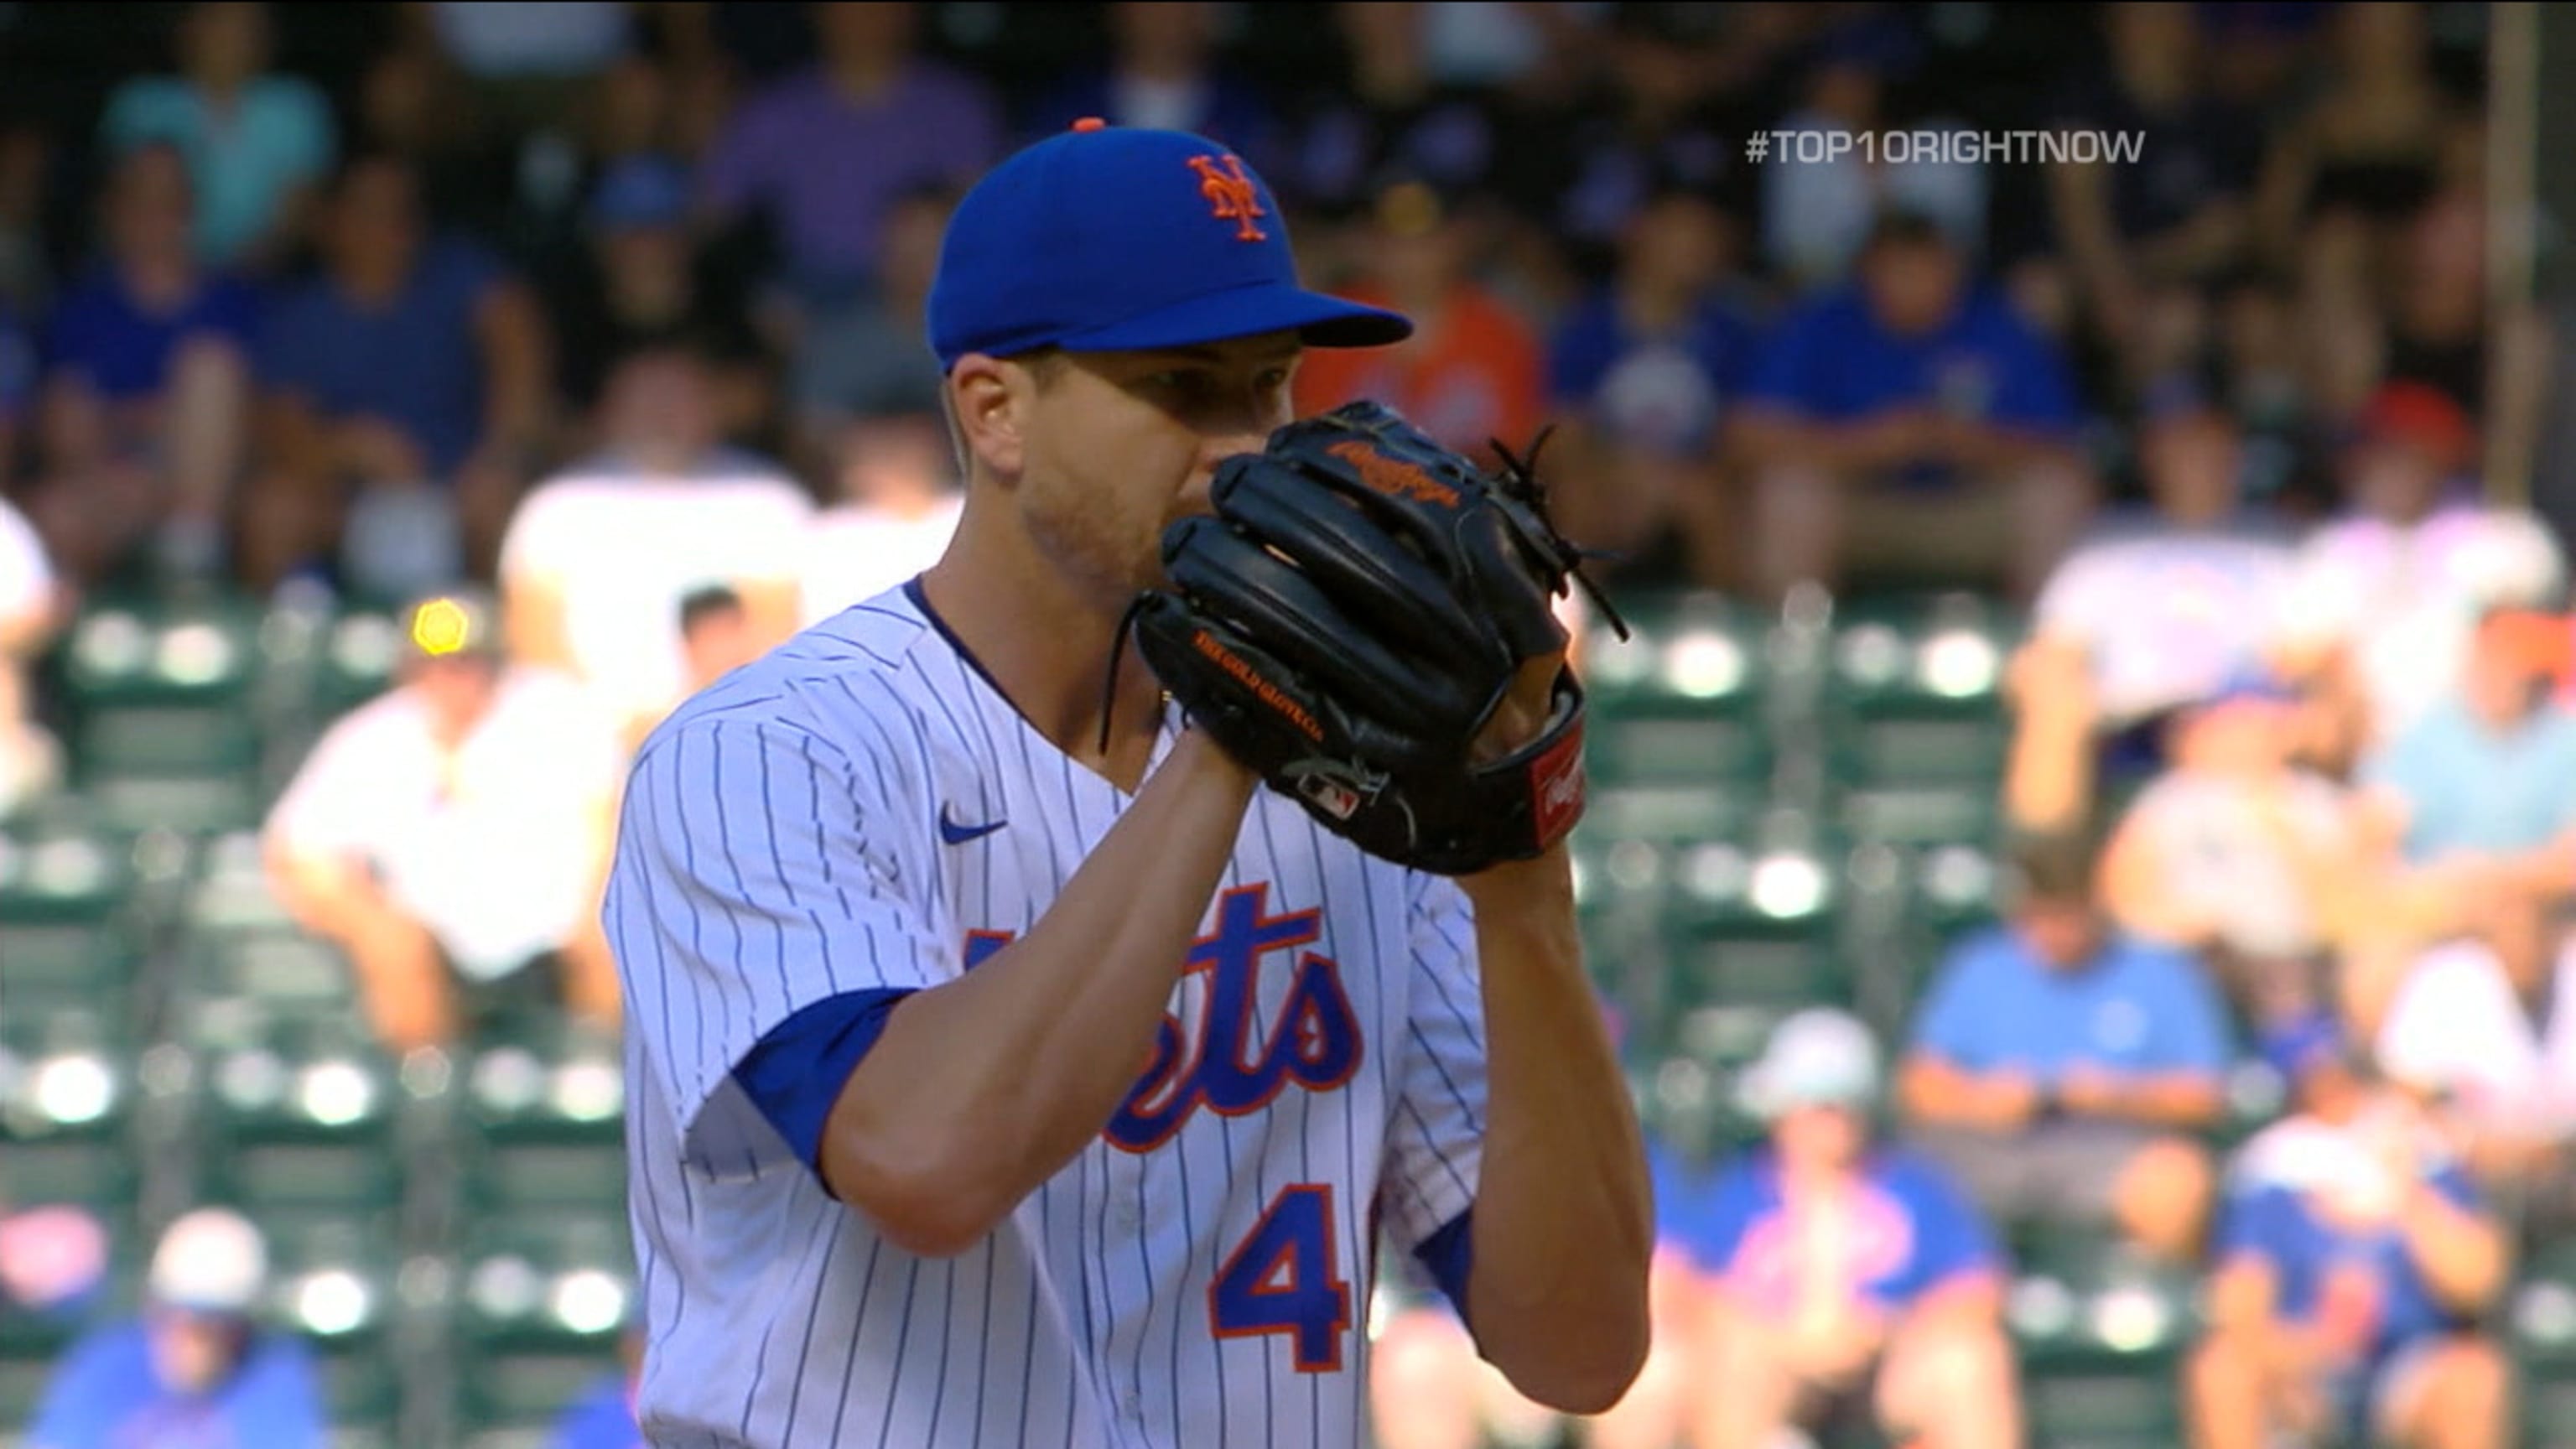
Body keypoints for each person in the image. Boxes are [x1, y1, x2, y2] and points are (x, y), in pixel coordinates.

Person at [600, 118, 1654, 1445]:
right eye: (1182, 389)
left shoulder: (1365, 789)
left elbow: (1580, 1346)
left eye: (1268, 387)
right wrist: (1233, 732)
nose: (1243, 445)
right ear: (995, 414)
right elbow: (926, 1161)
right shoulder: (768, 752)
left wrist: (1523, 876)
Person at [1590, 1008, 2022, 1449]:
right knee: (1733, 1358)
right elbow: (1677, 1282)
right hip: (1765, 1356)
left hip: (1886, 1361)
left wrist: (1886, 1329)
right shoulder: (1738, 1191)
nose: (1829, 1122)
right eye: (1814, 1106)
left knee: (1972, 1361)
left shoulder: (1914, 1188)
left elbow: (1977, 1286)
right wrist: (1773, 1331)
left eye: (1843, 1106)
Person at [265, 590, 626, 1053]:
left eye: (465, 663)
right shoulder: (372, 738)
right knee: (392, 947)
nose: (450, 678)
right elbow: (294, 849)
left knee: (616, 928)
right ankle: (428, 1102)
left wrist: (597, 897)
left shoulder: (556, 715)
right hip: (434, 932)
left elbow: (613, 816)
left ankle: (595, 1084)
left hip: (556, 922)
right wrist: (364, 912)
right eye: (432, 665)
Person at [1897, 828, 2229, 1262]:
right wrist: (1981, 1101)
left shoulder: (2160, 973)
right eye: (2045, 918)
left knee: (2177, 1180)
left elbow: (2205, 1096)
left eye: (2071, 917)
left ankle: (2148, 1310)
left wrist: (2112, 1097)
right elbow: (1918, 1085)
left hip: (2109, 1148)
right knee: (1906, 1178)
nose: (2059, 933)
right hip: (1993, 1148)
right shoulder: (1981, 968)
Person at [2189, 1014, 2514, 1449]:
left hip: (2406, 1360)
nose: (2339, 1095)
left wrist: (2407, 1192)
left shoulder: (2425, 1159)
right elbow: (2240, 1309)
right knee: (2224, 1370)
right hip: (2303, 1363)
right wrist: (2309, 1352)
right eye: (2321, 1083)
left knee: (2473, 1378)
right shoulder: (2274, 1173)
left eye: (2350, 1079)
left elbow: (2476, 1282)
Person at [25, 1208, 327, 1448]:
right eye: (178, 1316)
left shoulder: (273, 1371)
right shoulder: (104, 1363)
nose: (194, 1336)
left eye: (214, 1322)